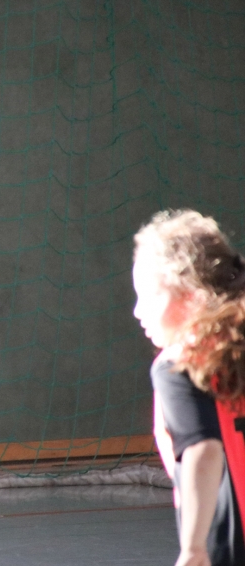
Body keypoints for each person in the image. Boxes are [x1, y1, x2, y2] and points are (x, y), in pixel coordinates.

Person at [133, 210, 245, 566]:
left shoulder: (182, 366)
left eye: (149, 296)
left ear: (192, 294)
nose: (137, 311)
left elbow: (203, 451)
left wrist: (194, 547)